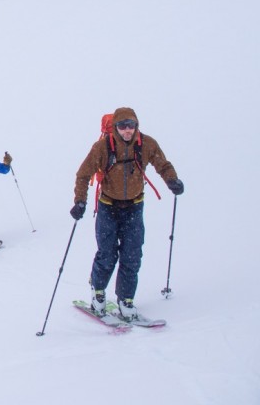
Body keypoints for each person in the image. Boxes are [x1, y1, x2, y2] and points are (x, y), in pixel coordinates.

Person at [71, 107, 184, 320]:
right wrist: (80, 201)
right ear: (115, 128)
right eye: (122, 126)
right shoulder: (102, 147)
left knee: (132, 254)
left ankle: (126, 300)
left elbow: (163, 165)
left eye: (130, 125)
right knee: (107, 253)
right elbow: (83, 174)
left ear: (136, 126)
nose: (127, 130)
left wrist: (172, 180)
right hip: (108, 207)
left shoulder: (146, 144)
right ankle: (98, 293)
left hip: (134, 206)